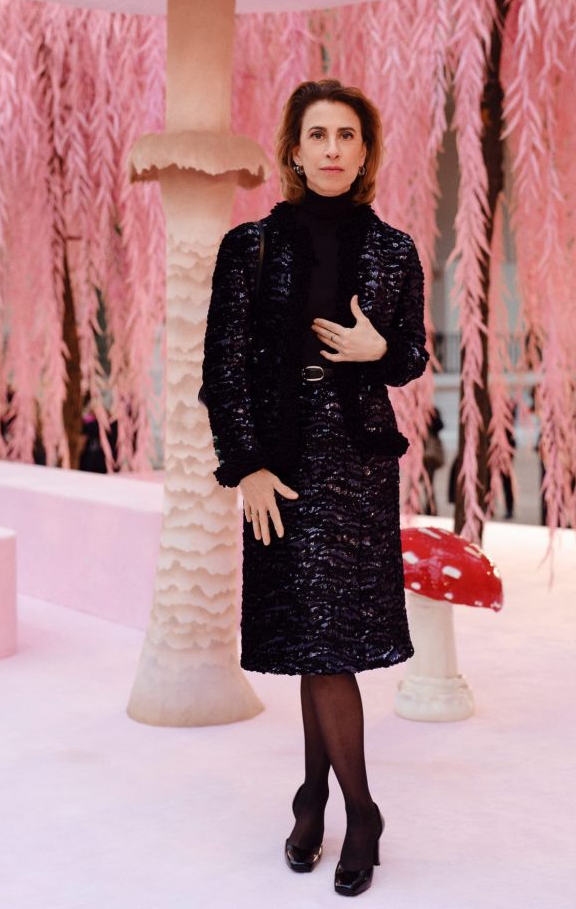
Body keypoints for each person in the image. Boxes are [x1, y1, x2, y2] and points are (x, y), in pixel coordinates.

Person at [201, 79, 429, 897]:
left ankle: (349, 809)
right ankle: (324, 801)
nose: (333, 148)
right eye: (318, 134)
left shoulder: (396, 250)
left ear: (365, 154)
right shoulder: (249, 247)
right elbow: (222, 368)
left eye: (347, 136)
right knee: (309, 637)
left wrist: (380, 351)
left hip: (357, 468)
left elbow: (412, 355)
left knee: (328, 642)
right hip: (281, 464)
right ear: (294, 151)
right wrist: (246, 465)